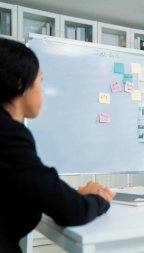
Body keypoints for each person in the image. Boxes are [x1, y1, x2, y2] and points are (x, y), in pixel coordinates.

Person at [0, 38, 115, 253]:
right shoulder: (9, 135)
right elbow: (71, 211)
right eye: (40, 81)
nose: (42, 91)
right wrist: (98, 198)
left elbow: (36, 185)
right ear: (19, 83)